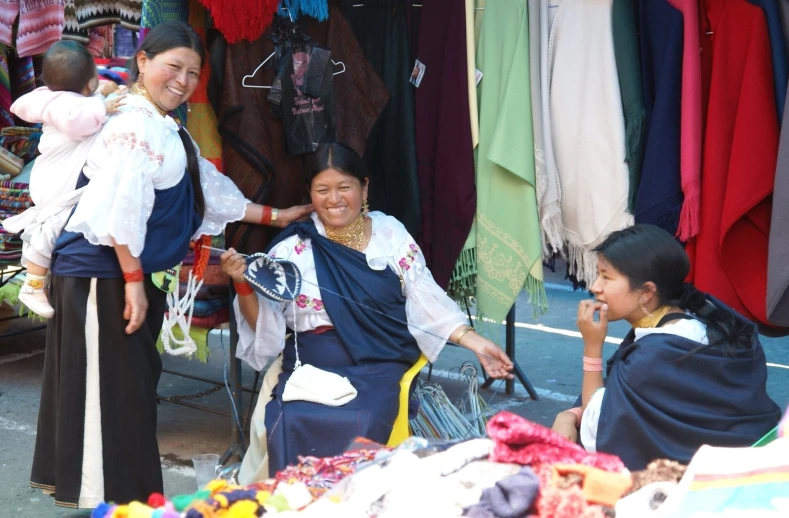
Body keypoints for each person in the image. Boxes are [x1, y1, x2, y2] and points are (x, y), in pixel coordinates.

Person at [29, 22, 311, 510]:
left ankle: (129, 502)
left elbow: (211, 192)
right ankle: (115, 502)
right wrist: (134, 281)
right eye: (173, 67)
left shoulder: (166, 124)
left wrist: (278, 215)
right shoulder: (135, 124)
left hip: (117, 272)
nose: (182, 81)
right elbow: (121, 208)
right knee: (113, 401)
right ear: (142, 62)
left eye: (193, 73)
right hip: (103, 273)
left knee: (129, 396)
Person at [221, 142, 515, 482]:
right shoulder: (293, 249)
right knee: (290, 417)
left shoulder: (389, 235)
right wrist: (243, 285)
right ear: (309, 194)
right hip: (313, 365)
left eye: (344, 187)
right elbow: (265, 329)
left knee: (362, 419)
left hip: (379, 361)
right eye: (322, 190)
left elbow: (425, 300)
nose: (334, 199)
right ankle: (300, 504)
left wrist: (477, 343)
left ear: (364, 187)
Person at [551, 225, 781, 470]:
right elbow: (613, 402)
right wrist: (572, 413)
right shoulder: (692, 321)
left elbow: (599, 427)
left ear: (646, 292)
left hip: (705, 480)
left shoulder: (655, 355)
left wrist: (592, 347)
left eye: (606, 277)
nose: (596, 286)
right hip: (749, 458)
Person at [3, 41, 126, 319]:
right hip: (56, 181)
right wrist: (103, 107)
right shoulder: (70, 109)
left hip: (51, 177)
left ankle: (39, 280)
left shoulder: (56, 99)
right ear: (91, 81)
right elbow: (78, 122)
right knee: (53, 225)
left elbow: (82, 112)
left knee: (52, 225)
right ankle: (32, 286)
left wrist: (101, 100)